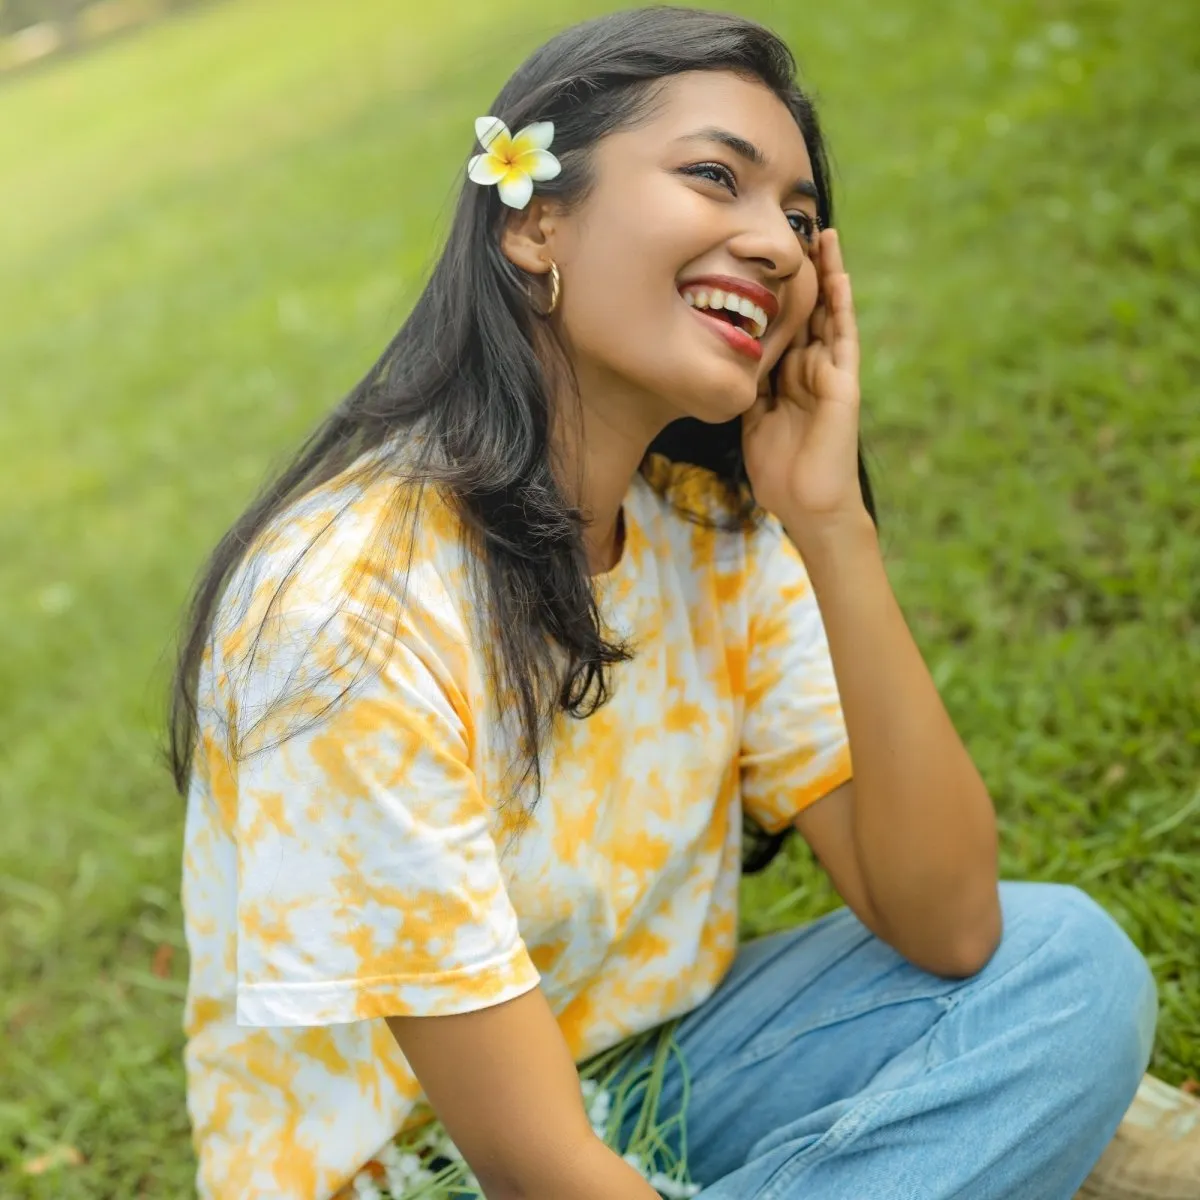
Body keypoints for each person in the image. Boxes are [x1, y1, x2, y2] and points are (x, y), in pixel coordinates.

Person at [170, 8, 1162, 1198]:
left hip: (656, 1080)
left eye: (800, 218)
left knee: (1071, 967)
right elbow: (534, 1167)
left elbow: (950, 925)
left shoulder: (708, 525)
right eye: (714, 178)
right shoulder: (346, 609)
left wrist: (833, 528)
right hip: (428, 1171)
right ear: (535, 219)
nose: (781, 247)